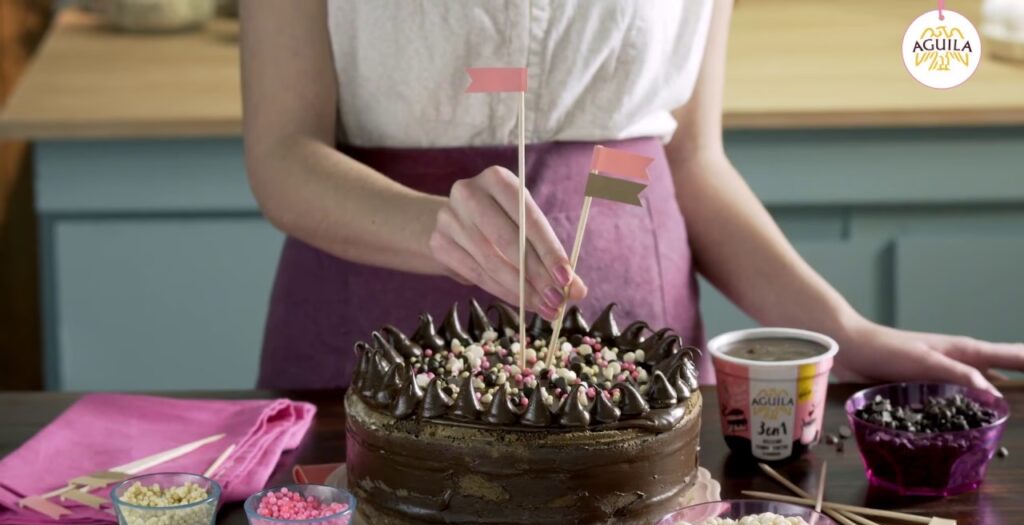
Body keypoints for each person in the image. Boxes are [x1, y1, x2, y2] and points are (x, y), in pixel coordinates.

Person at [241, 0, 1022, 393]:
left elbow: (691, 161)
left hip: (637, 351)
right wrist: (435, 227)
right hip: (367, 342)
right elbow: (283, 155)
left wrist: (842, 331)